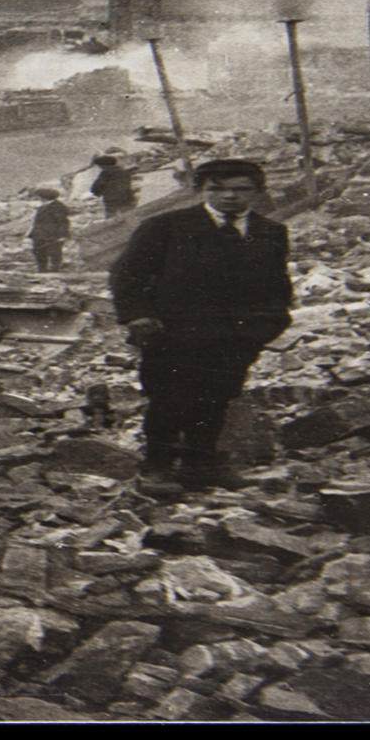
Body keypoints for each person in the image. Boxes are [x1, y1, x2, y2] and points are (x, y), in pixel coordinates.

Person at [108, 159, 293, 493]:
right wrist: (137, 317)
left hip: (237, 337)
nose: (230, 197)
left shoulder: (271, 231)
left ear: (257, 191)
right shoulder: (166, 226)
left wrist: (267, 327)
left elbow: (277, 286)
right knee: (169, 399)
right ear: (201, 191)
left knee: (217, 399)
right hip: (174, 334)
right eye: (218, 189)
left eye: (241, 189)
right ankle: (156, 468)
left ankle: (201, 466)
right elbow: (127, 274)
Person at [27, 187, 74, 273]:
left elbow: (63, 222)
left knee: (54, 253)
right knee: (39, 252)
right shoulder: (44, 206)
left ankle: (55, 270)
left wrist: (62, 235)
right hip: (40, 235)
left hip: (52, 235)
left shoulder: (58, 207)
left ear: (44, 197)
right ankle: (42, 270)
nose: (39, 199)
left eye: (39, 197)